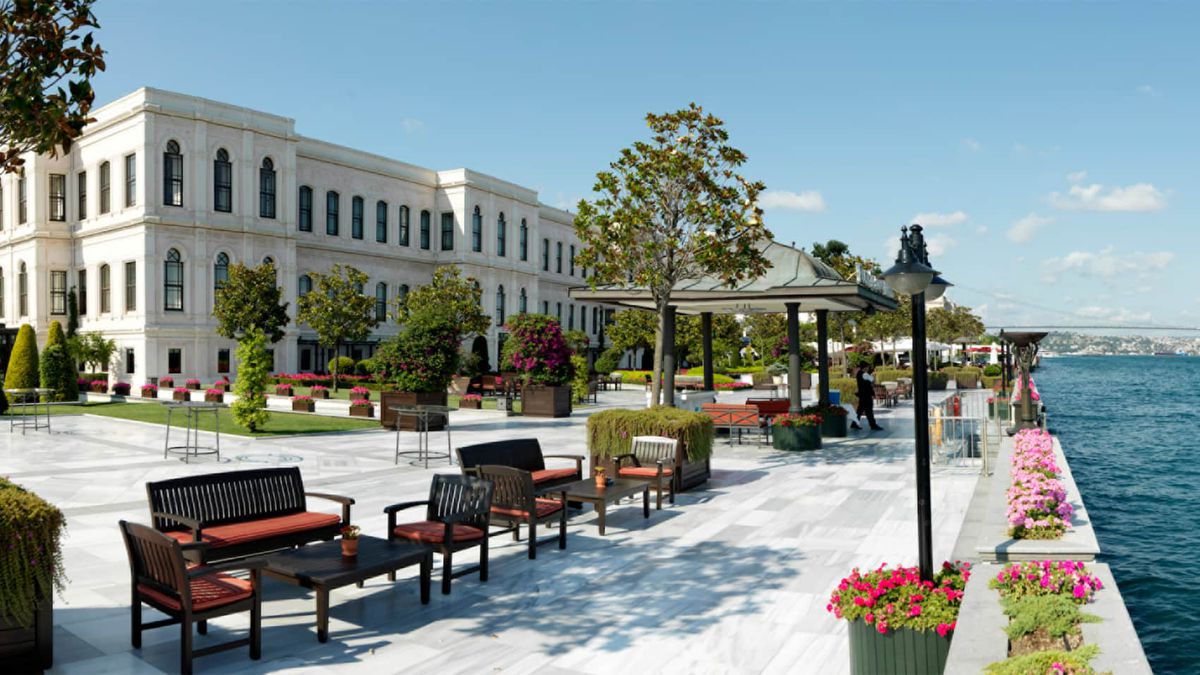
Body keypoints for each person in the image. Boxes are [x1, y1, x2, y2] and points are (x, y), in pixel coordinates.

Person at [850, 364, 884, 431]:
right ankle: (873, 425)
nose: (868, 369)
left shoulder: (859, 374)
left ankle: (854, 424)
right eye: (867, 367)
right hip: (866, 395)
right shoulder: (864, 374)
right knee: (869, 411)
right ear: (865, 367)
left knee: (860, 411)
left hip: (862, 395)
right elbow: (872, 380)